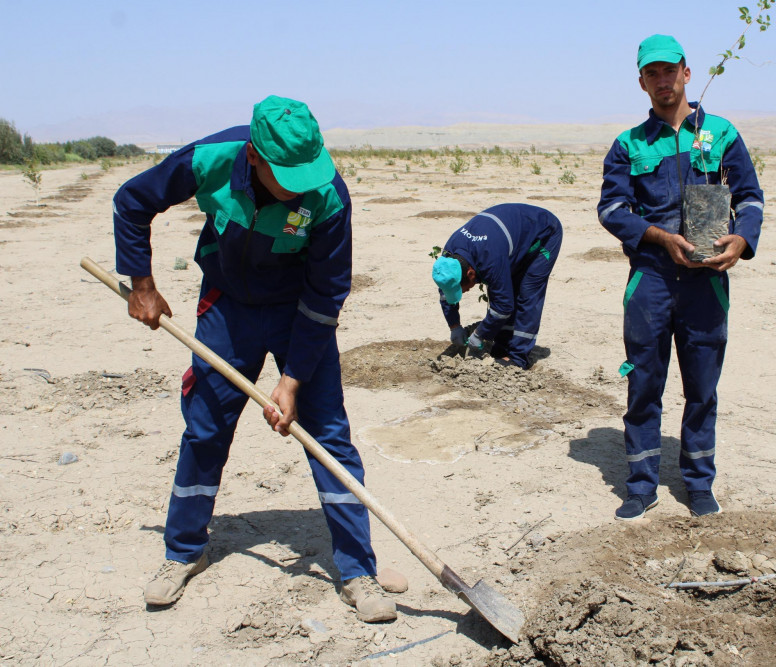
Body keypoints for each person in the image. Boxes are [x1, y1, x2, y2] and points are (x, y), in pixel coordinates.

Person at [112, 95, 406, 622]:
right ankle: (182, 551)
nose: (303, 185)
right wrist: (143, 285)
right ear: (254, 157)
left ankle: (358, 571)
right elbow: (132, 202)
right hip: (228, 307)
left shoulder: (327, 195)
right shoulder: (211, 159)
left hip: (299, 314)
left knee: (328, 435)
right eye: (287, 174)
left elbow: (326, 295)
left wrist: (291, 381)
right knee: (205, 429)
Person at [597, 35, 764, 520]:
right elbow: (611, 208)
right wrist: (657, 236)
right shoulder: (629, 144)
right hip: (650, 280)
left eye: (670, 70)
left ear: (687, 74)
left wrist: (741, 239)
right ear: (642, 82)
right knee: (644, 383)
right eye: (653, 73)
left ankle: (698, 482)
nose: (663, 80)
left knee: (702, 387)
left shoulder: (722, 134)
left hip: (706, 282)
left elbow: (749, 197)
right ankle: (641, 483)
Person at [431, 203, 562, 369]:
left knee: (526, 292)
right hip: (506, 238)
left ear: (471, 274)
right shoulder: (448, 258)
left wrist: (480, 334)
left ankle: (518, 358)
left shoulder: (489, 259)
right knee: (504, 288)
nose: (463, 292)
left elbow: (503, 307)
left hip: (543, 232)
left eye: (462, 288)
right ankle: (501, 348)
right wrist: (454, 326)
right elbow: (445, 291)